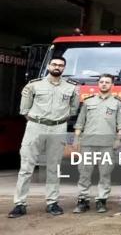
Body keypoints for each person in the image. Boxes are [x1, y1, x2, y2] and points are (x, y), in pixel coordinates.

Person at [8, 56, 79, 218]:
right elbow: (24, 109)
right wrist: (38, 120)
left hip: (58, 127)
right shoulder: (34, 85)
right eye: (54, 64)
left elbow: (73, 109)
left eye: (61, 65)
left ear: (64, 68)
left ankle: (52, 202)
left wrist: (58, 120)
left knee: (54, 167)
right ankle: (20, 204)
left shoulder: (71, 87)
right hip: (35, 126)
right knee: (26, 167)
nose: (57, 67)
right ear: (48, 66)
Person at [72, 74, 121, 214]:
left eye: (107, 82)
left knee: (105, 173)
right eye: (101, 82)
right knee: (84, 172)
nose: (104, 84)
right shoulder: (88, 102)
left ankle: (101, 200)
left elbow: (120, 124)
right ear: (98, 84)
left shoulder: (118, 103)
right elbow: (80, 123)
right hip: (88, 143)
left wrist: (118, 139)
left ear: (112, 85)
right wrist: (76, 139)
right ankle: (82, 200)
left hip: (107, 144)